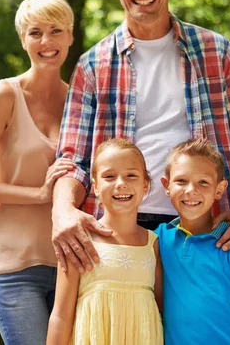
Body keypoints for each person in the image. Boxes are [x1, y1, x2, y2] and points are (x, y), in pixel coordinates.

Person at [52, 0, 230, 274]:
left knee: (198, 329)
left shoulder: (216, 51)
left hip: (204, 227)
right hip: (119, 229)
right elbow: (72, 159)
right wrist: (62, 210)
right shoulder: (92, 65)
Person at [0, 0, 77, 345]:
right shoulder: (4, 94)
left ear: (70, 35)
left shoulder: (79, 100)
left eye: (56, 30)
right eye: (35, 32)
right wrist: (39, 194)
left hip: (71, 264)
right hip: (15, 265)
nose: (46, 41)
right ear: (23, 40)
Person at [47, 139, 163, 345]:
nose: (121, 183)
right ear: (96, 186)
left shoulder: (153, 244)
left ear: (145, 185)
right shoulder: (78, 241)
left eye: (131, 176)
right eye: (110, 176)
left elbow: (161, 308)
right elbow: (61, 316)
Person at [156, 138, 230, 345]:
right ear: (166, 185)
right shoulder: (157, 240)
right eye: (181, 181)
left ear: (219, 190)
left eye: (203, 182)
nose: (191, 190)